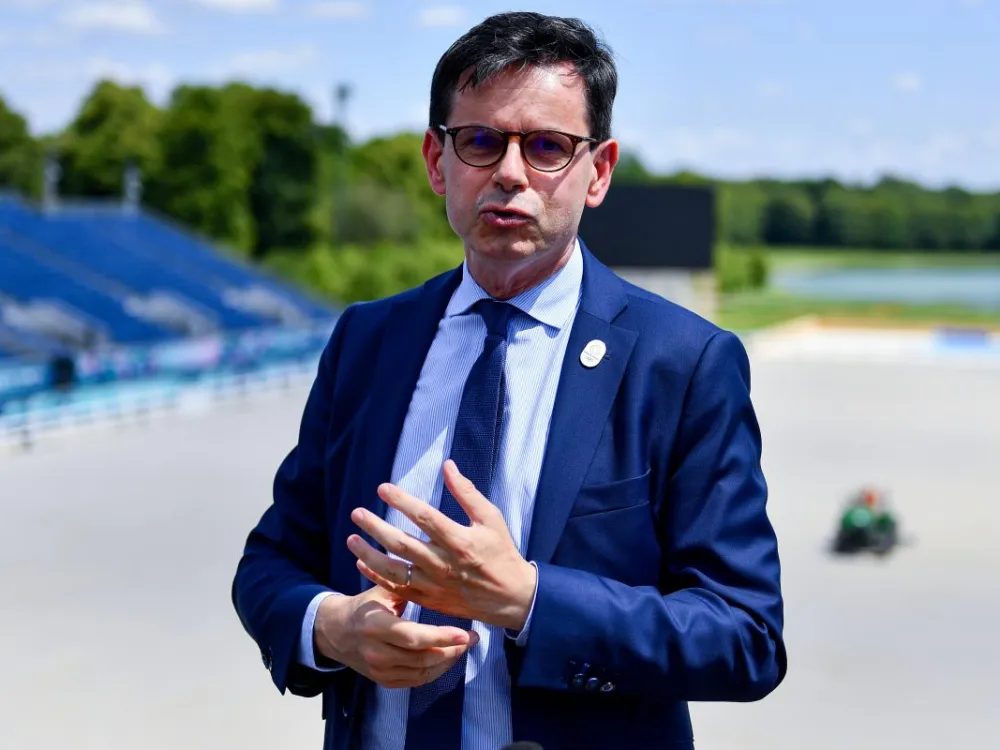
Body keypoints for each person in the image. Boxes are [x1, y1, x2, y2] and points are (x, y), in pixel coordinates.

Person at [231, 11, 786, 750]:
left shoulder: (681, 363)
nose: (511, 174)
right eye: (481, 141)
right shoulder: (368, 340)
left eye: (549, 146)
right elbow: (272, 560)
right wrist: (329, 627)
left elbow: (745, 635)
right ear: (438, 161)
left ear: (600, 171)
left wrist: (529, 599)